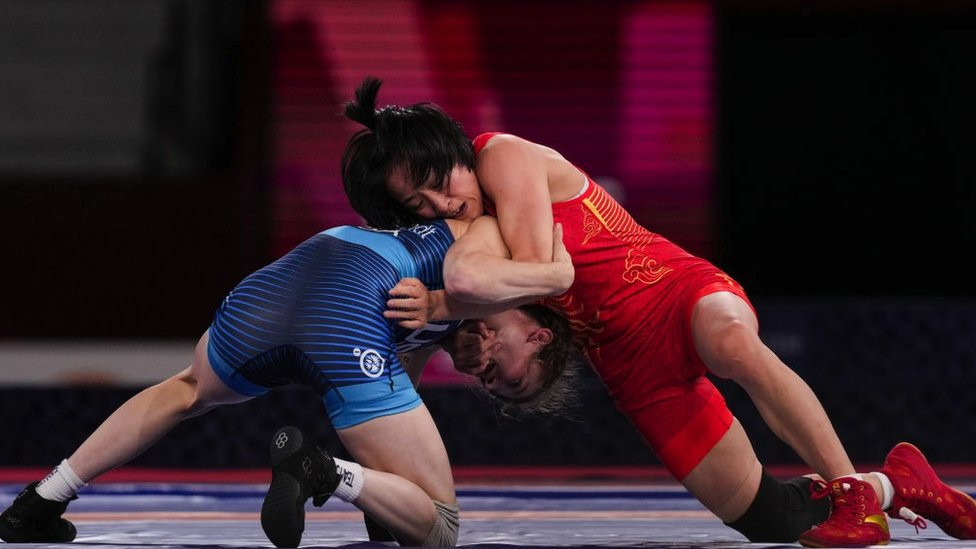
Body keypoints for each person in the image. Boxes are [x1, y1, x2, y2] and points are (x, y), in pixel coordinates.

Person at [339, 76, 976, 547]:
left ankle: (854, 495)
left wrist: (447, 303)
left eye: (437, 181)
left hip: (670, 290)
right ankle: (901, 481)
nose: (438, 206)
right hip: (625, 359)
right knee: (761, 516)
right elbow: (503, 303)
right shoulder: (464, 226)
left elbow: (535, 266)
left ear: (453, 147)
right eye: (416, 204)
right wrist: (460, 341)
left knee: (733, 344)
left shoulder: (504, 155)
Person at [0, 215, 575, 547]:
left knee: (184, 391)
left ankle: (38, 502)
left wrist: (447, 323)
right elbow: (475, 262)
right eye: (511, 378)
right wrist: (471, 295)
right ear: (539, 335)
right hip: (348, 302)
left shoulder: (448, 306)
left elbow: (401, 390)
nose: (488, 378)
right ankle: (319, 470)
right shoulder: (499, 246)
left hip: (284, 282)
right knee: (442, 529)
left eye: (492, 388)